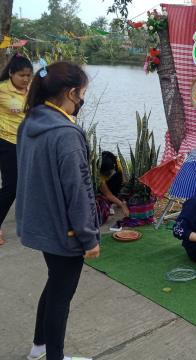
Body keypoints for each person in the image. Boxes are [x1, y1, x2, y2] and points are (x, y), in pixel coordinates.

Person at [16, 61, 100, 360]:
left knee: (55, 284)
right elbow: (77, 191)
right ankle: (54, 356)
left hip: (40, 224)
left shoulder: (31, 120)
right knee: (61, 296)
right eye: (82, 93)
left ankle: (39, 347)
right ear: (71, 92)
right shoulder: (65, 133)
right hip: (65, 232)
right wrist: (88, 238)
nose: (82, 100)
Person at [0, 54, 33, 245]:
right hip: (7, 142)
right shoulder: (3, 90)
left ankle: (30, 222)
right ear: (11, 73)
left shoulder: (30, 91)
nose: (26, 79)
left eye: (29, 75)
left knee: (27, 184)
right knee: (11, 187)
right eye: (22, 75)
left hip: (26, 143)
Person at [96, 150, 129, 225]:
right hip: (102, 192)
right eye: (104, 174)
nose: (106, 176)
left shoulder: (119, 164)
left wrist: (123, 200)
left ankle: (117, 200)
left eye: (108, 173)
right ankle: (108, 204)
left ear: (114, 166)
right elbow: (108, 194)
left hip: (115, 184)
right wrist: (122, 205)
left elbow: (125, 184)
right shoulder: (98, 174)